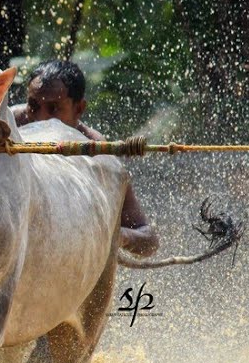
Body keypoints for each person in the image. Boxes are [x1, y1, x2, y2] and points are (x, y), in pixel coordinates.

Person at [13, 59, 159, 257]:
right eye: (33, 106)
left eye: (54, 109)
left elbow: (149, 240)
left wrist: (116, 236)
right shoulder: (8, 126)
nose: (40, 118)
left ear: (79, 109)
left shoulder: (97, 151)